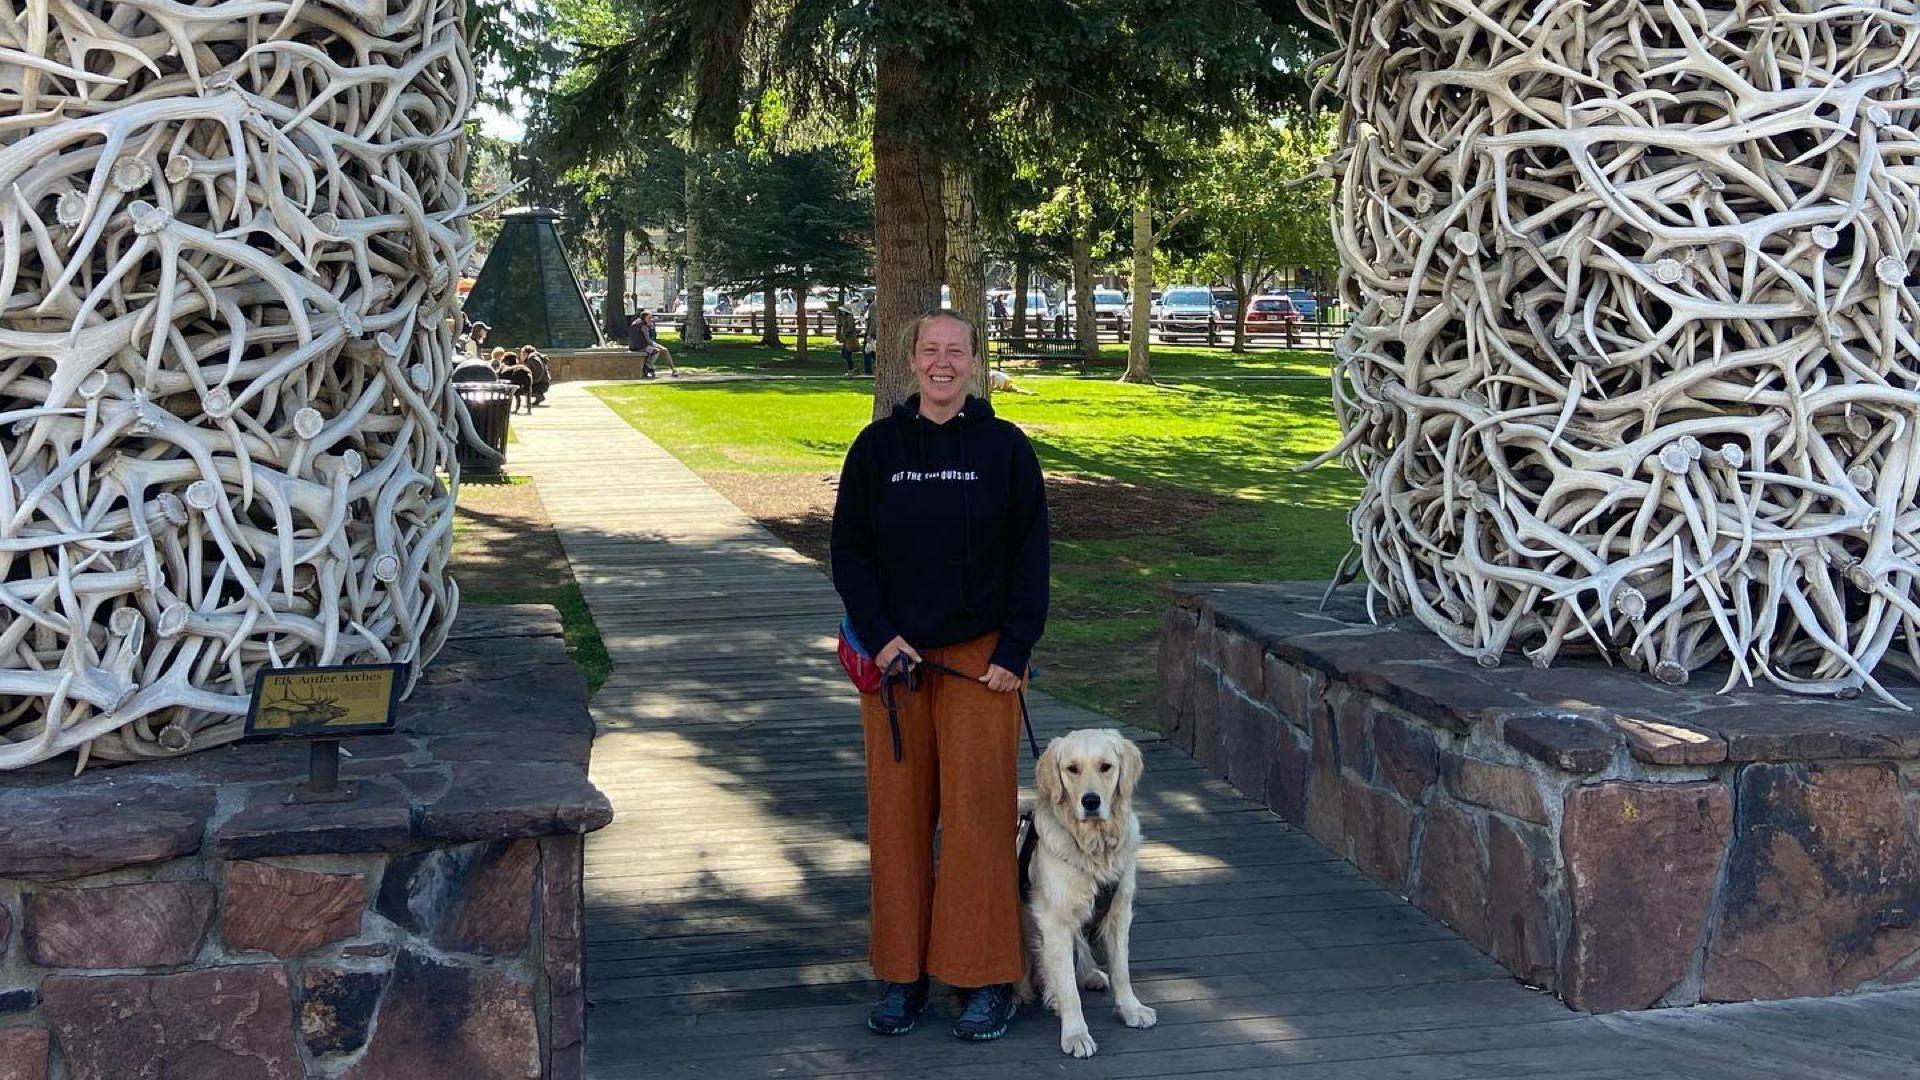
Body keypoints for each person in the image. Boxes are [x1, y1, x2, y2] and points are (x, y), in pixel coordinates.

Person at [829, 309, 1050, 1043]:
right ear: (911, 359)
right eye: (930, 350)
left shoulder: (1005, 450)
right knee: (897, 824)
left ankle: (985, 977)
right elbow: (851, 553)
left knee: (979, 822)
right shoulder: (877, 448)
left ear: (975, 360)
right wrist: (883, 638)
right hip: (897, 667)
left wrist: (1014, 653)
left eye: (956, 350)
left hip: (981, 666)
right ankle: (902, 974)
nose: (943, 363)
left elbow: (1032, 557)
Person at [641, 310, 676, 377]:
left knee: (665, 350)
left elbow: (652, 338)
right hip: (645, 345)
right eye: (649, 318)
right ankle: (649, 367)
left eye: (651, 318)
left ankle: (673, 369)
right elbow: (648, 340)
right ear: (644, 318)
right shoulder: (644, 326)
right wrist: (655, 345)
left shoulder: (650, 325)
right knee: (658, 350)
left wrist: (652, 328)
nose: (650, 319)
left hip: (650, 344)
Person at [836, 302, 862, 377]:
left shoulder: (849, 317)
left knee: (847, 353)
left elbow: (851, 328)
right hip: (846, 338)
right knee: (845, 354)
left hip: (850, 338)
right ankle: (853, 367)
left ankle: (852, 368)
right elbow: (840, 324)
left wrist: (845, 334)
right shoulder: (843, 317)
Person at [861, 302, 877, 376]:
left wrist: (870, 334)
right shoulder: (873, 305)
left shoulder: (873, 306)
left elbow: (873, 321)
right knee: (873, 352)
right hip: (875, 332)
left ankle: (868, 370)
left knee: (867, 351)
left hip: (872, 333)